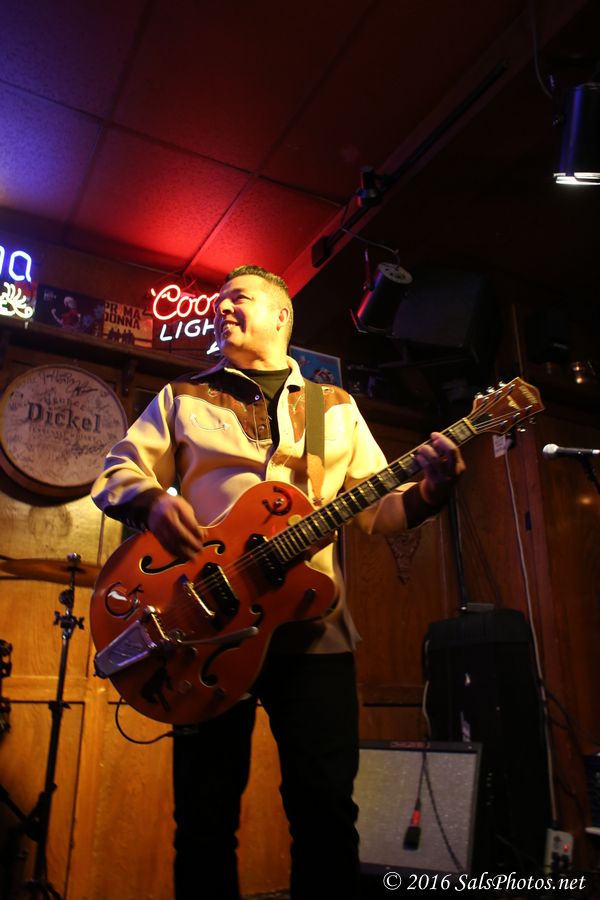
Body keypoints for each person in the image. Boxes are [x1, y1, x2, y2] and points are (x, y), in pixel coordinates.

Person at [91, 264, 465, 900]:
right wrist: (152, 502)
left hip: (314, 633)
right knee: (204, 820)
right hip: (204, 631)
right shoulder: (183, 395)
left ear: (282, 315)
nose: (221, 308)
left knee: (327, 812)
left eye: (238, 298)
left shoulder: (335, 406)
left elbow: (380, 510)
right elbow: (117, 470)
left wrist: (431, 492)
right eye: (217, 301)